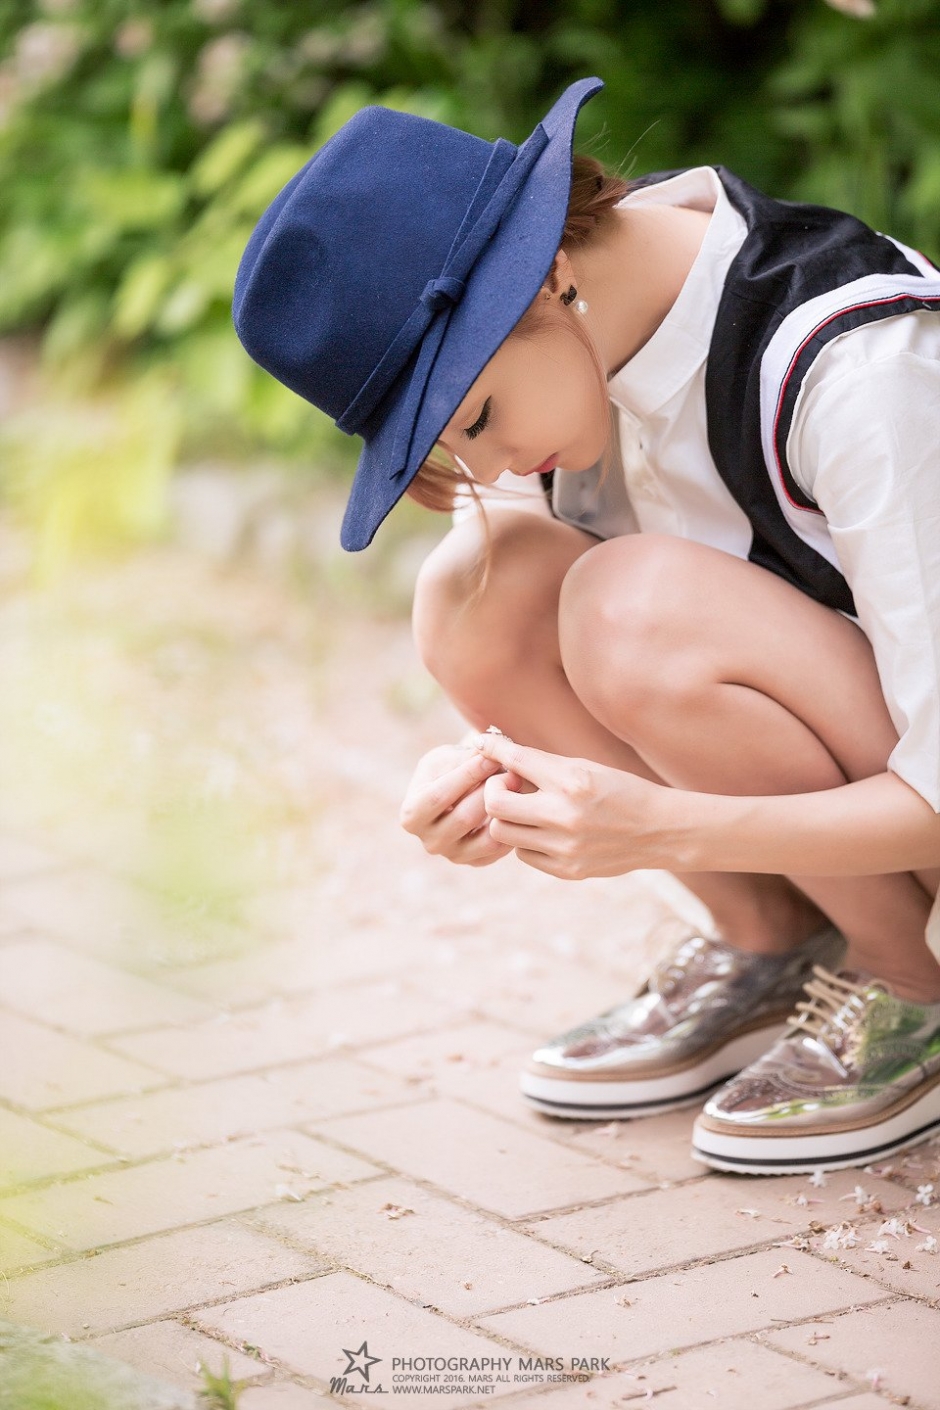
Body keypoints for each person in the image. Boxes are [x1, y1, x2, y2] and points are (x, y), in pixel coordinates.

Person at [233, 77, 940, 1176]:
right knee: (478, 585)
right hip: (861, 761)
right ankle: (770, 944)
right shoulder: (596, 326)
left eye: (473, 421)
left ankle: (911, 982)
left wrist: (660, 826)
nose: (495, 465)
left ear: (547, 275)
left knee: (631, 608)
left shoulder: (859, 370)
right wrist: (501, 780)